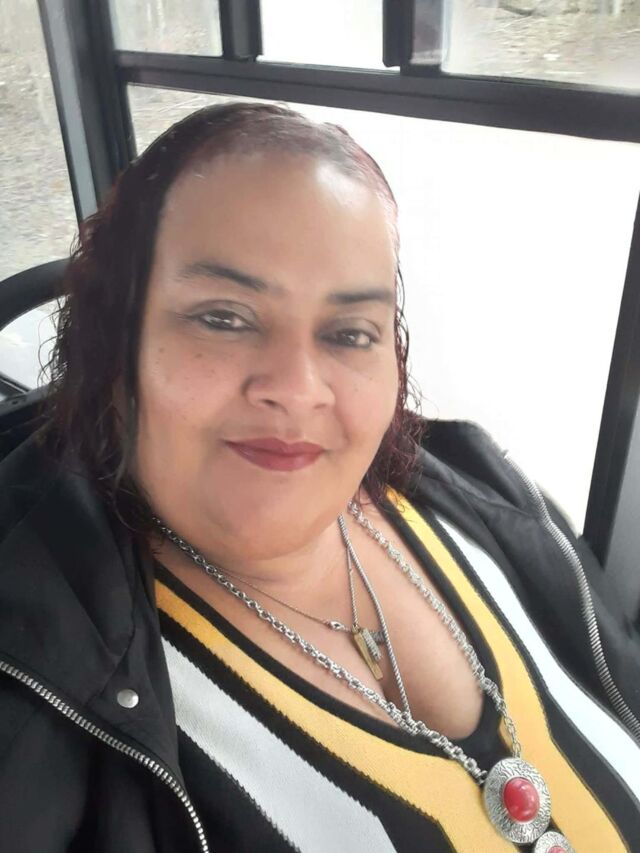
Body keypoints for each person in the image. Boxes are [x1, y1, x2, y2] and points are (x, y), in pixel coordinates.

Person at [0, 102, 638, 853]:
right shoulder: (32, 689)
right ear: (117, 339)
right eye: (224, 318)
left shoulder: (486, 490)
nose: (298, 389)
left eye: (349, 333)